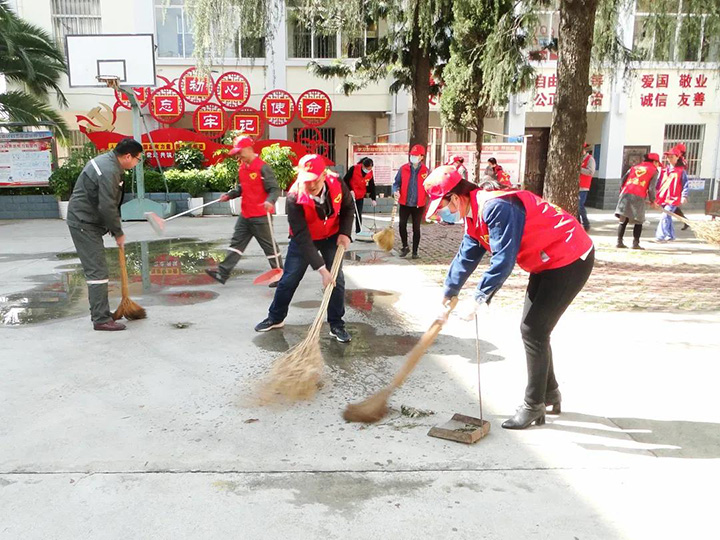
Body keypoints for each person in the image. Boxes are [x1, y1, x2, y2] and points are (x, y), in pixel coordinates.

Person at [427, 165, 594, 430]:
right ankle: (549, 392)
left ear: (456, 198)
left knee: (534, 330)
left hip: (570, 256)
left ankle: (533, 405)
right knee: (534, 330)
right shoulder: (474, 214)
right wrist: (448, 295)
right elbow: (466, 255)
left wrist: (479, 297)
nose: (442, 213)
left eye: (442, 206)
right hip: (545, 261)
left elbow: (503, 259)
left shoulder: (496, 207)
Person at [254, 154, 353, 343]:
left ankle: (336, 324)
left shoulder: (337, 182)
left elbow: (348, 207)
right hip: (304, 239)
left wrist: (345, 233)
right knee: (289, 279)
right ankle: (276, 317)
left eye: (315, 179)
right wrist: (322, 269)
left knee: (336, 280)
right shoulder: (294, 197)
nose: (311, 185)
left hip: (332, 236)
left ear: (324, 175)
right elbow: (301, 236)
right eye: (307, 180)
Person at [66, 138, 143, 331]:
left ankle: (102, 313)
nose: (137, 163)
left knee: (98, 270)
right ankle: (101, 319)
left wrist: (111, 226)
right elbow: (107, 205)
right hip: (84, 222)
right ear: (128, 156)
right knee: (97, 271)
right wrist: (118, 232)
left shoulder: (110, 163)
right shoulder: (109, 170)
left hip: (89, 219)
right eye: (138, 159)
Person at [206, 136, 282, 287]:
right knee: (236, 244)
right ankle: (222, 273)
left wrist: (270, 201)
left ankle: (280, 276)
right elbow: (242, 188)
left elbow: (274, 189)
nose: (238, 156)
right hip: (246, 214)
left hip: (261, 215)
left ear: (248, 149)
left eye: (239, 152)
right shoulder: (243, 168)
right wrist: (230, 195)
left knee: (269, 247)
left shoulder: (262, 167)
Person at [615, 153, 661, 250]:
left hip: (625, 193)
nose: (658, 166)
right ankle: (635, 243)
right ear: (654, 162)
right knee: (639, 220)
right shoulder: (654, 170)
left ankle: (619, 242)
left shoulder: (634, 167)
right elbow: (651, 188)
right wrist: (653, 200)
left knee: (623, 220)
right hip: (638, 196)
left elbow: (623, 181)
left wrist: (622, 192)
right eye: (658, 163)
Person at [392, 144, 429, 259]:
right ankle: (405, 246)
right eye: (412, 155)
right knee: (402, 225)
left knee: (416, 228)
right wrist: (396, 191)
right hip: (405, 203)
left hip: (419, 204)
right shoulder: (403, 169)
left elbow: (430, 186)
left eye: (416, 155)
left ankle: (415, 251)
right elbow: (396, 183)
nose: (413, 157)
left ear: (421, 157)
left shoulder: (426, 171)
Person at [655, 145, 689, 242]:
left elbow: (685, 184)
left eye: (672, 157)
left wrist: (684, 196)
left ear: (677, 157)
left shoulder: (681, 171)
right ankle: (670, 235)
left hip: (673, 198)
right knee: (668, 216)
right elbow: (658, 183)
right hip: (663, 197)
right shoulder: (664, 170)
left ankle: (660, 236)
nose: (669, 159)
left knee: (665, 216)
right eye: (668, 157)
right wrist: (654, 195)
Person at [343, 157, 377, 233]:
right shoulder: (354, 169)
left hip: (360, 195)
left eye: (370, 169)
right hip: (350, 195)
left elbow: (372, 185)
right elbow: (345, 180)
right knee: (349, 214)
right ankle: (346, 232)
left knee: (359, 214)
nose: (368, 170)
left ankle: (358, 231)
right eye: (367, 168)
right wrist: (350, 190)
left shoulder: (370, 173)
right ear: (363, 166)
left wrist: (373, 199)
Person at [578, 143, 595, 231]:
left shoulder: (590, 159)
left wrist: (578, 169)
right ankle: (578, 223)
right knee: (576, 206)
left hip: (583, 186)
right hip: (576, 186)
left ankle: (586, 224)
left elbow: (590, 172)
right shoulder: (578, 159)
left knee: (580, 205)